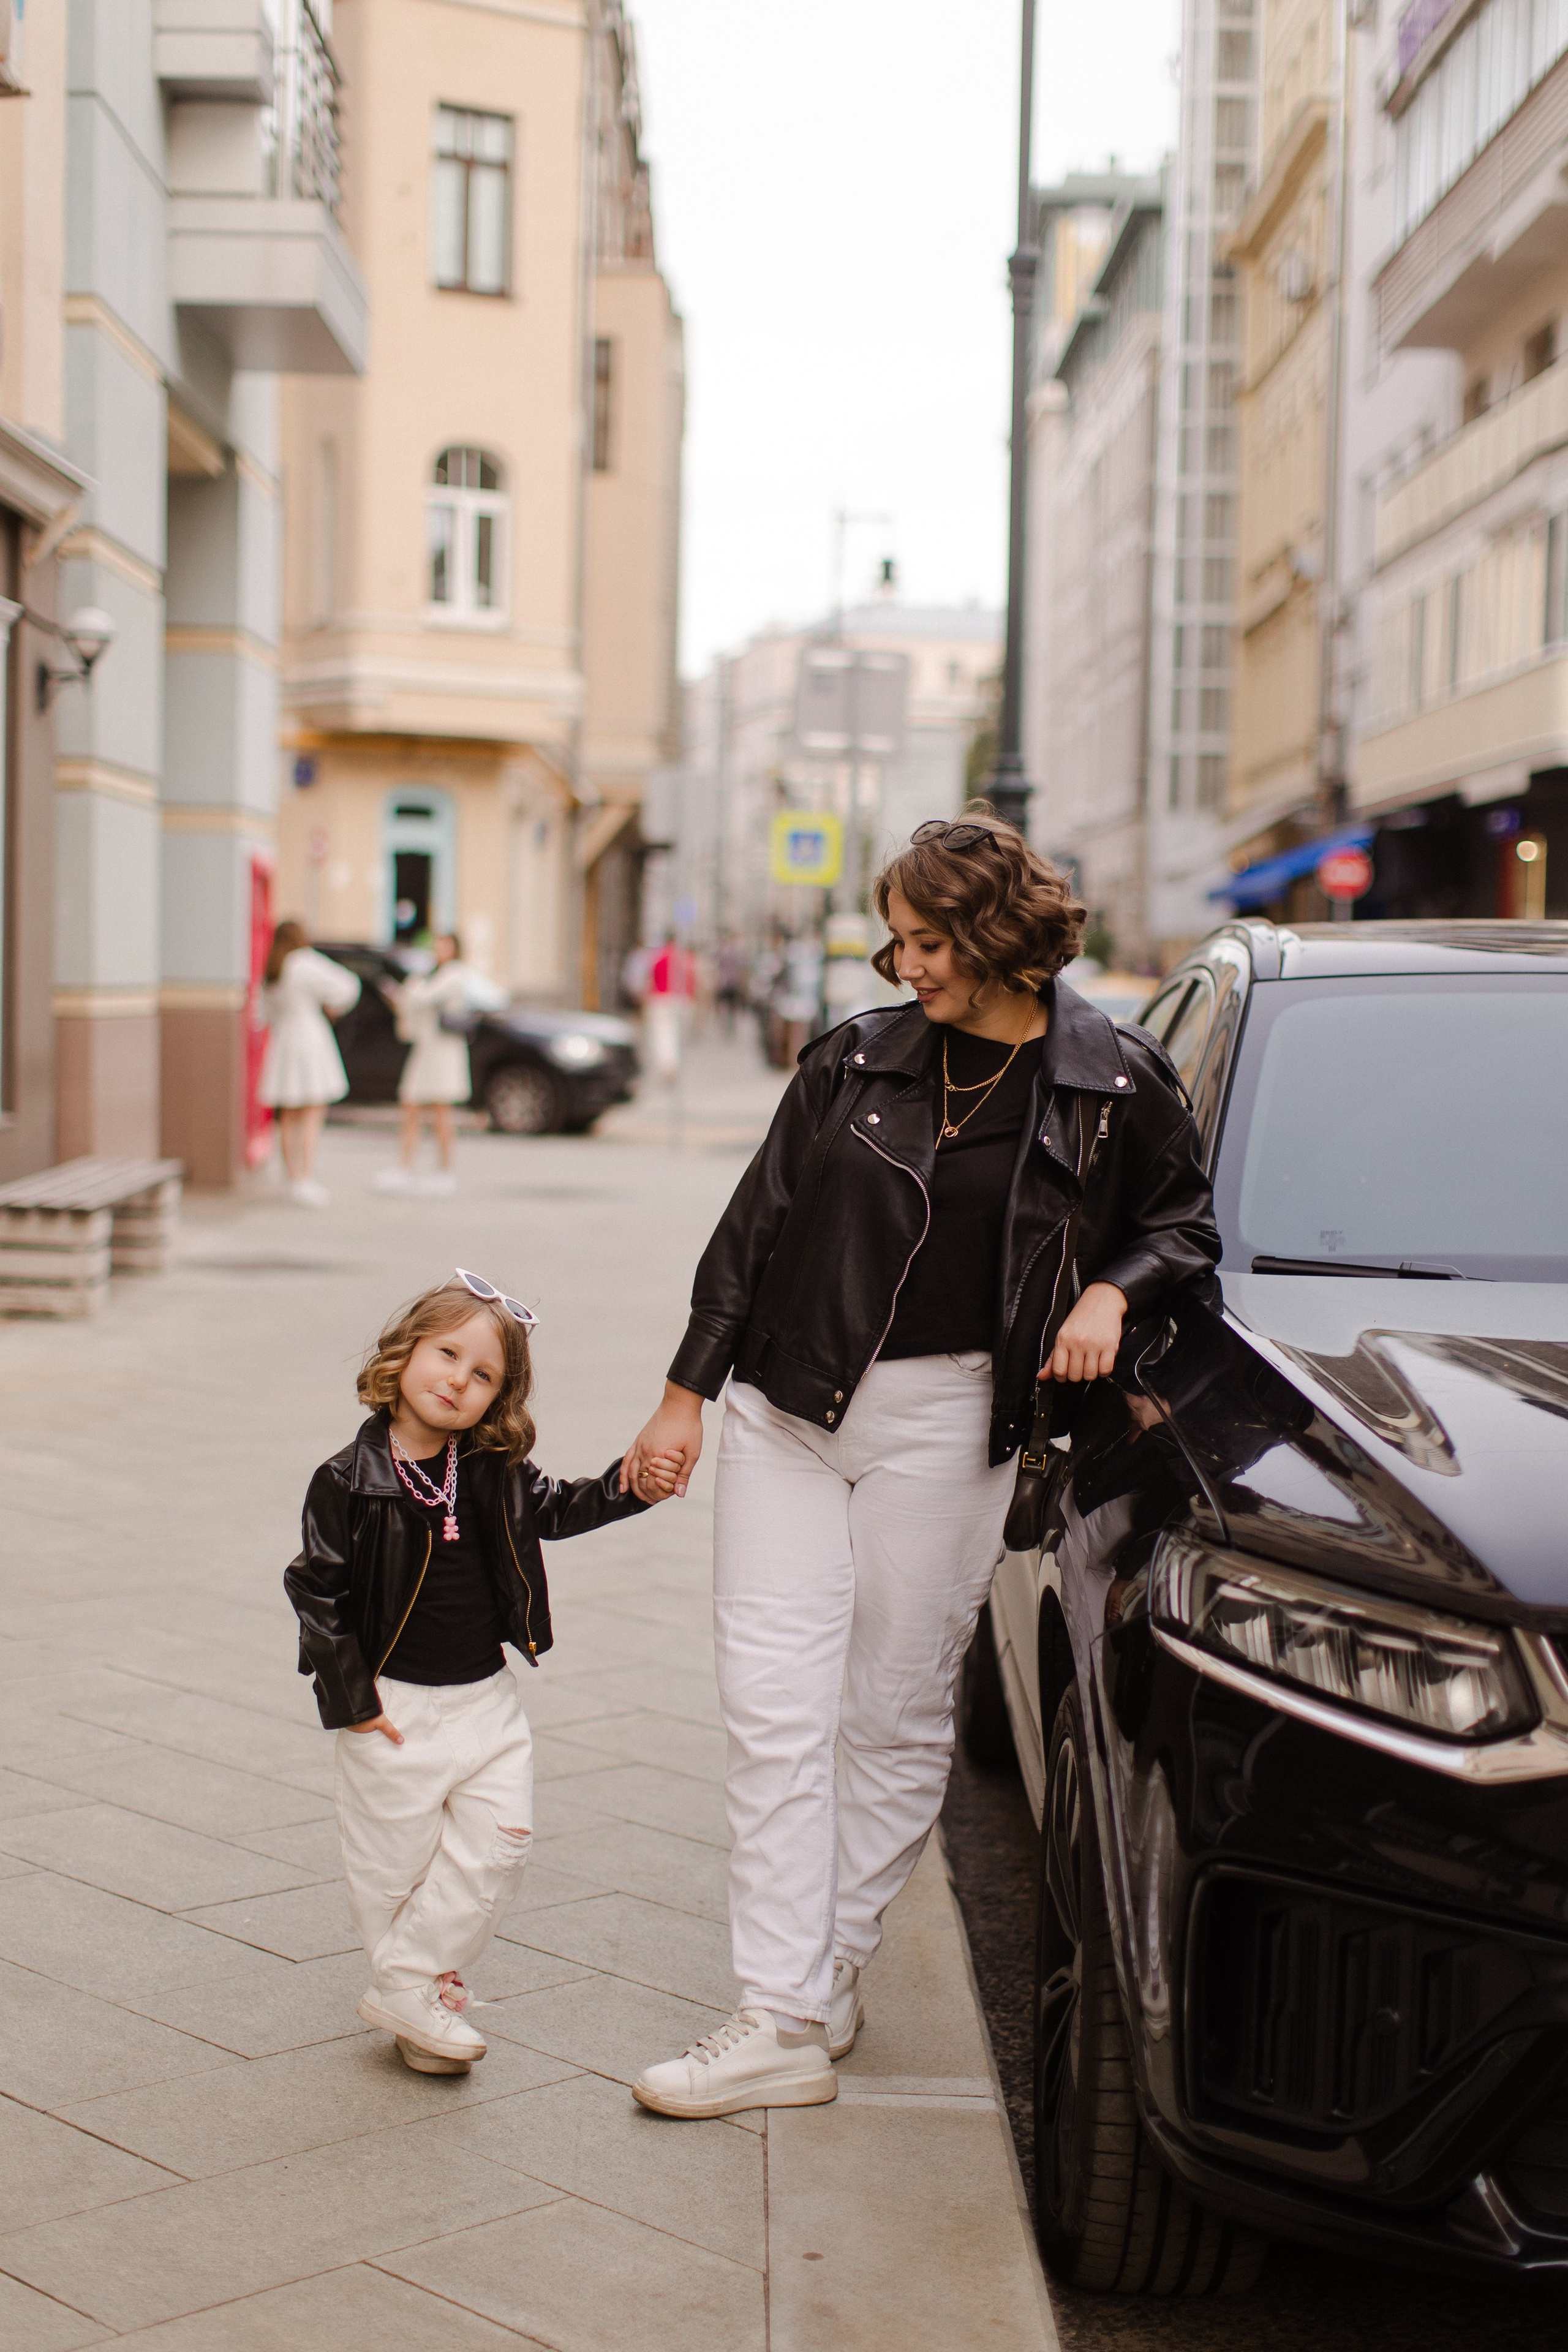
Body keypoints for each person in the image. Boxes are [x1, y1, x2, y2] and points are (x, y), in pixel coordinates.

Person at [617, 813, 1221, 2119]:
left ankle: (826, 1966)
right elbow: (752, 1230)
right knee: (774, 1709)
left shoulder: (1111, 1080)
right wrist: (681, 1400)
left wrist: (1110, 1292)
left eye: (929, 940)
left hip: (950, 1426)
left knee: (888, 1715)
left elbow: (1182, 1227)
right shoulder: (854, 1057)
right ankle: (777, 2014)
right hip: (788, 1409)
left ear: (1001, 937)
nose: (907, 967)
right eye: (897, 941)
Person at [284, 1268, 684, 2075]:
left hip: (485, 1702)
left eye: (483, 1376)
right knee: (396, 1875)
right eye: (447, 1355)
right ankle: (421, 2000)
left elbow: (563, 1508)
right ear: (404, 1355)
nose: (458, 1380)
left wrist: (631, 1485)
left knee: (500, 1844)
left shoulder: (492, 1469)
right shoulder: (346, 1481)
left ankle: (406, 1987)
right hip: (391, 1708)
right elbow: (315, 1589)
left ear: (497, 1399)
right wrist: (353, 1700)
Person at [374, 933, 505, 1196]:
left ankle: (444, 1172)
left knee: (441, 1113)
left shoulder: (454, 974)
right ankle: (404, 1167)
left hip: (444, 1052)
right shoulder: (430, 974)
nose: (439, 950)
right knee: (411, 1107)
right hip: (426, 1050)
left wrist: (409, 991)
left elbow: (420, 998)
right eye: (437, 945)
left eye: (445, 945)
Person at [257, 920, 360, 1205]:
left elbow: (262, 1014)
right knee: (313, 1113)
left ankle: (291, 1178)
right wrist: (332, 1005)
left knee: (288, 1116)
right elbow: (349, 986)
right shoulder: (304, 963)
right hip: (310, 1039)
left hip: (283, 1042)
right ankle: (306, 1178)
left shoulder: (273, 969)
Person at [644, 932, 697, 1084]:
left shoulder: (659, 957)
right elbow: (691, 980)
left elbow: (651, 977)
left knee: (663, 1034)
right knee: (676, 1034)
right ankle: (672, 1064)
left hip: (661, 999)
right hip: (681, 1000)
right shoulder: (685, 959)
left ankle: (668, 1065)